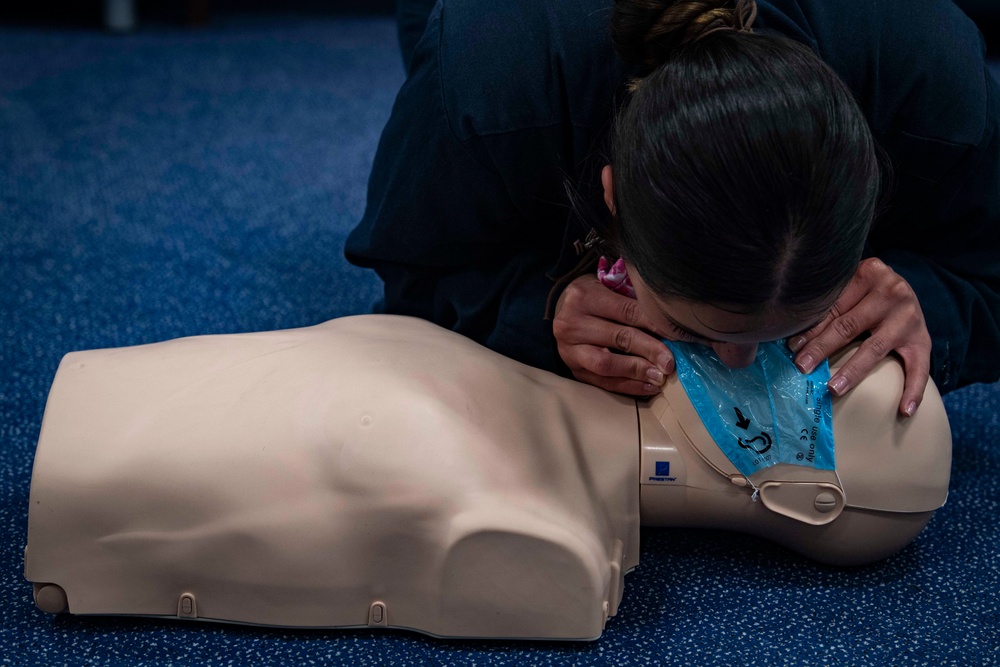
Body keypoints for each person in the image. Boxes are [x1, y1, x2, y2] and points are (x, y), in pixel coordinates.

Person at [345, 0, 1000, 415]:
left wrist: (929, 305)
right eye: (696, 332)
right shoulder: (484, 84)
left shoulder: (934, 75)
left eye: (787, 327)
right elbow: (411, 276)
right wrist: (536, 313)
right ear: (611, 202)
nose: (738, 367)